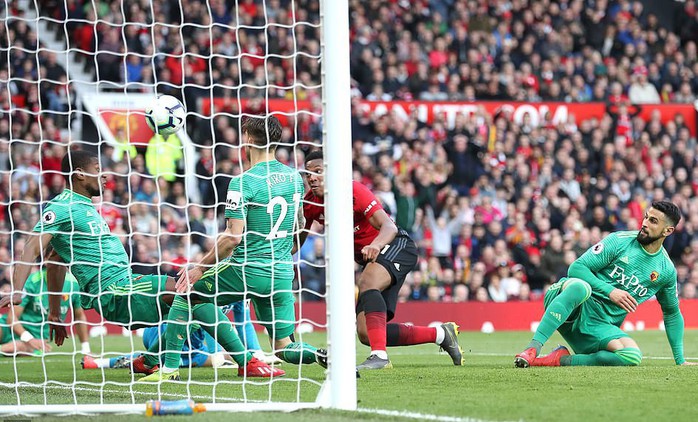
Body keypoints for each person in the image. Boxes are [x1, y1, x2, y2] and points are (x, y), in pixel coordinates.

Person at [139, 115, 325, 382]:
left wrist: (199, 267)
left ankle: (167, 370)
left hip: (247, 268)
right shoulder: (295, 178)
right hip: (282, 272)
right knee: (284, 347)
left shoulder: (242, 182)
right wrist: (283, 253)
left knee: (188, 293)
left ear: (248, 140)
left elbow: (232, 238)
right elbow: (300, 224)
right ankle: (321, 355)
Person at [0, 149, 178, 373]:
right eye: (97, 170)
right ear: (79, 174)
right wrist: (18, 290)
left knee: (193, 296)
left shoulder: (85, 207)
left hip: (125, 282)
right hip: (114, 289)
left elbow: (55, 261)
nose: (104, 176)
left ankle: (153, 360)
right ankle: (161, 361)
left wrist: (55, 313)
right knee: (188, 291)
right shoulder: (61, 207)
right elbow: (31, 247)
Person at [297, 150, 463, 370]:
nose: (312, 178)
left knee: (367, 283)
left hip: (396, 245)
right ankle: (441, 334)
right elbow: (296, 244)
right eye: (308, 173)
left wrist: (375, 245)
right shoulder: (309, 203)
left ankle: (380, 357)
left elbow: (389, 227)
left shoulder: (353, 190)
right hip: (372, 260)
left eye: (318, 171)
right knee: (366, 333)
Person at [515, 201, 697, 367]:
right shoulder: (619, 241)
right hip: (572, 304)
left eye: (654, 221)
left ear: (668, 231)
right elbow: (576, 268)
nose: (645, 223)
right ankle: (533, 349)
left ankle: (558, 360)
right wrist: (610, 291)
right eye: (646, 217)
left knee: (632, 356)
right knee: (581, 287)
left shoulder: (665, 270)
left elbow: (672, 313)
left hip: (598, 326)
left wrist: (680, 360)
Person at [82, 301, 277, 369]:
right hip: (167, 331)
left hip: (177, 336)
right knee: (216, 359)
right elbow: (215, 325)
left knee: (158, 358)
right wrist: (219, 354)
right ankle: (101, 363)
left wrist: (257, 354)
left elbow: (244, 322)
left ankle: (99, 363)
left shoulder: (240, 290)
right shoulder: (218, 285)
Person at [1, 268, 89, 356]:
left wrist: (86, 348)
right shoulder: (33, 281)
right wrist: (28, 338)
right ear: (46, 259)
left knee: (16, 347)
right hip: (12, 329)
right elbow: (11, 317)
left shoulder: (73, 284)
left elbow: (79, 317)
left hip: (39, 339)